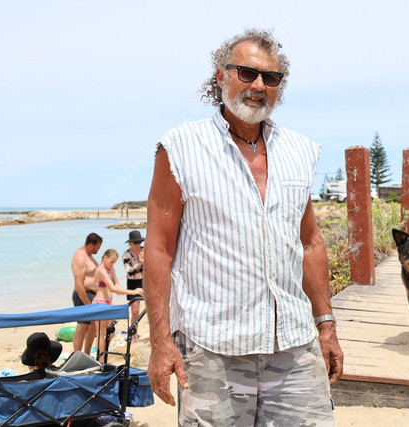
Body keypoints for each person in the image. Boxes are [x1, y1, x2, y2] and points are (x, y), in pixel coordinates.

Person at [144, 28, 343, 426]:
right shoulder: (181, 147)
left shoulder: (300, 150)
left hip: (294, 344)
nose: (258, 86)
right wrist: (160, 342)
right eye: (247, 73)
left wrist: (326, 326)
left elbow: (309, 242)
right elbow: (159, 248)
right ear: (221, 76)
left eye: (270, 77)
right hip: (212, 349)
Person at [92, 249, 143, 358]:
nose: (112, 264)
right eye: (111, 262)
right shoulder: (100, 270)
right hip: (99, 303)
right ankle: (101, 358)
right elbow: (112, 288)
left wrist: (121, 290)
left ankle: (105, 354)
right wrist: (133, 292)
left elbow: (116, 286)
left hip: (108, 303)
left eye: (114, 262)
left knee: (111, 332)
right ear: (105, 258)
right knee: (101, 333)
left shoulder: (111, 269)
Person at [71, 233, 102, 355]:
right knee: (83, 326)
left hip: (92, 294)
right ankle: (77, 355)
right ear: (90, 245)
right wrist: (89, 305)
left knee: (93, 326)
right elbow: (79, 285)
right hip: (82, 295)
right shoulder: (80, 257)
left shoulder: (89, 256)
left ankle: (87, 355)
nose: (98, 249)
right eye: (97, 247)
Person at [123, 230, 145, 337]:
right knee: (135, 311)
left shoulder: (145, 251)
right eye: (135, 243)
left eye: (139, 242)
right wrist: (140, 264)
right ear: (130, 243)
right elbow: (129, 271)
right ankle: (133, 334)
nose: (138, 245)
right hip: (132, 283)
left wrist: (144, 261)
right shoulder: (126, 255)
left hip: (145, 281)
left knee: (150, 309)